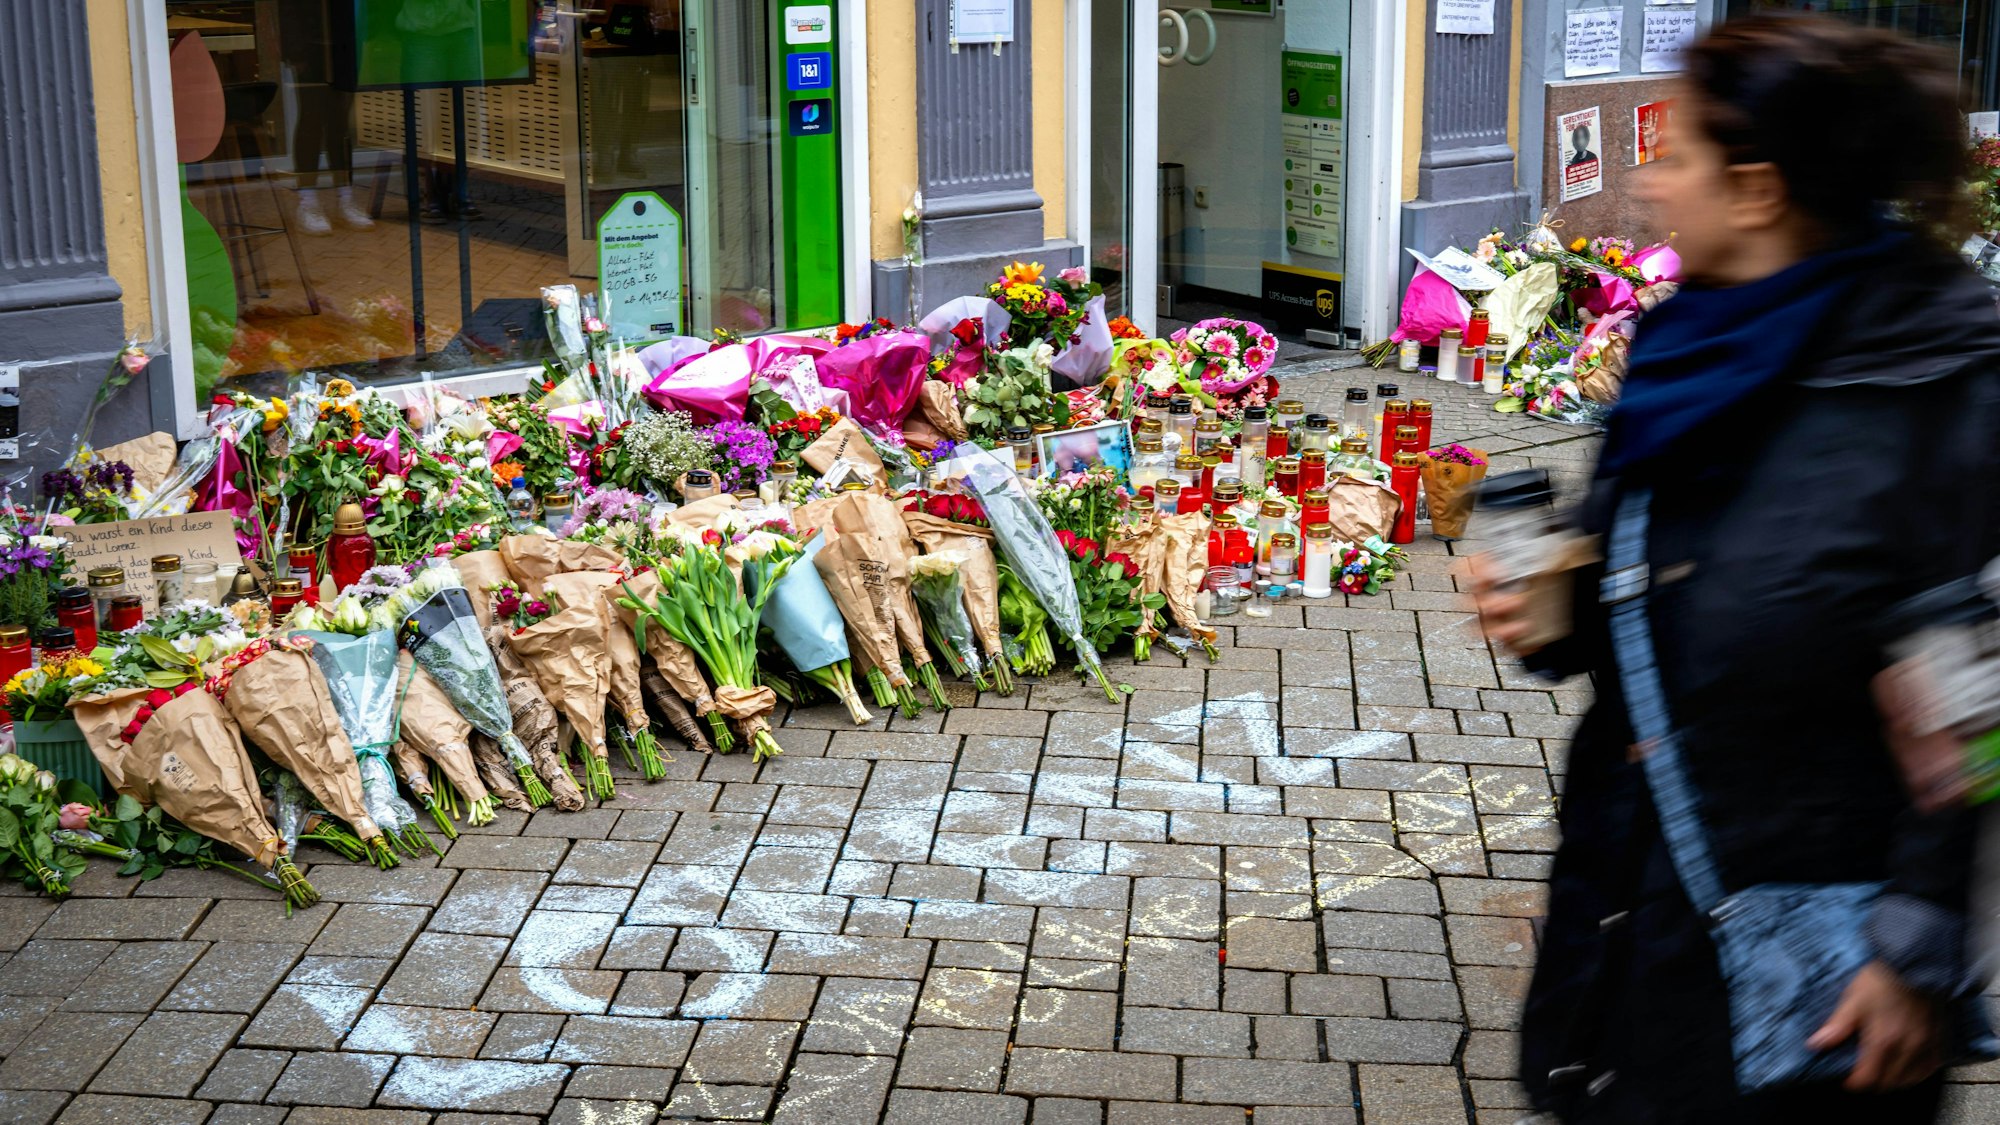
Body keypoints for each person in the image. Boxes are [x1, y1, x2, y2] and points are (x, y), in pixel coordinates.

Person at [1474, 15, 2000, 1124]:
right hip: (1637, 915)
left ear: (1755, 190)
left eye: (1674, 155)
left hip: (1821, 983)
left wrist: (1917, 944)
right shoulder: (1690, 353)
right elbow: (1643, 583)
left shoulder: (1931, 391)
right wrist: (1553, 609)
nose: (1650, 184)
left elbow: (1976, 705)